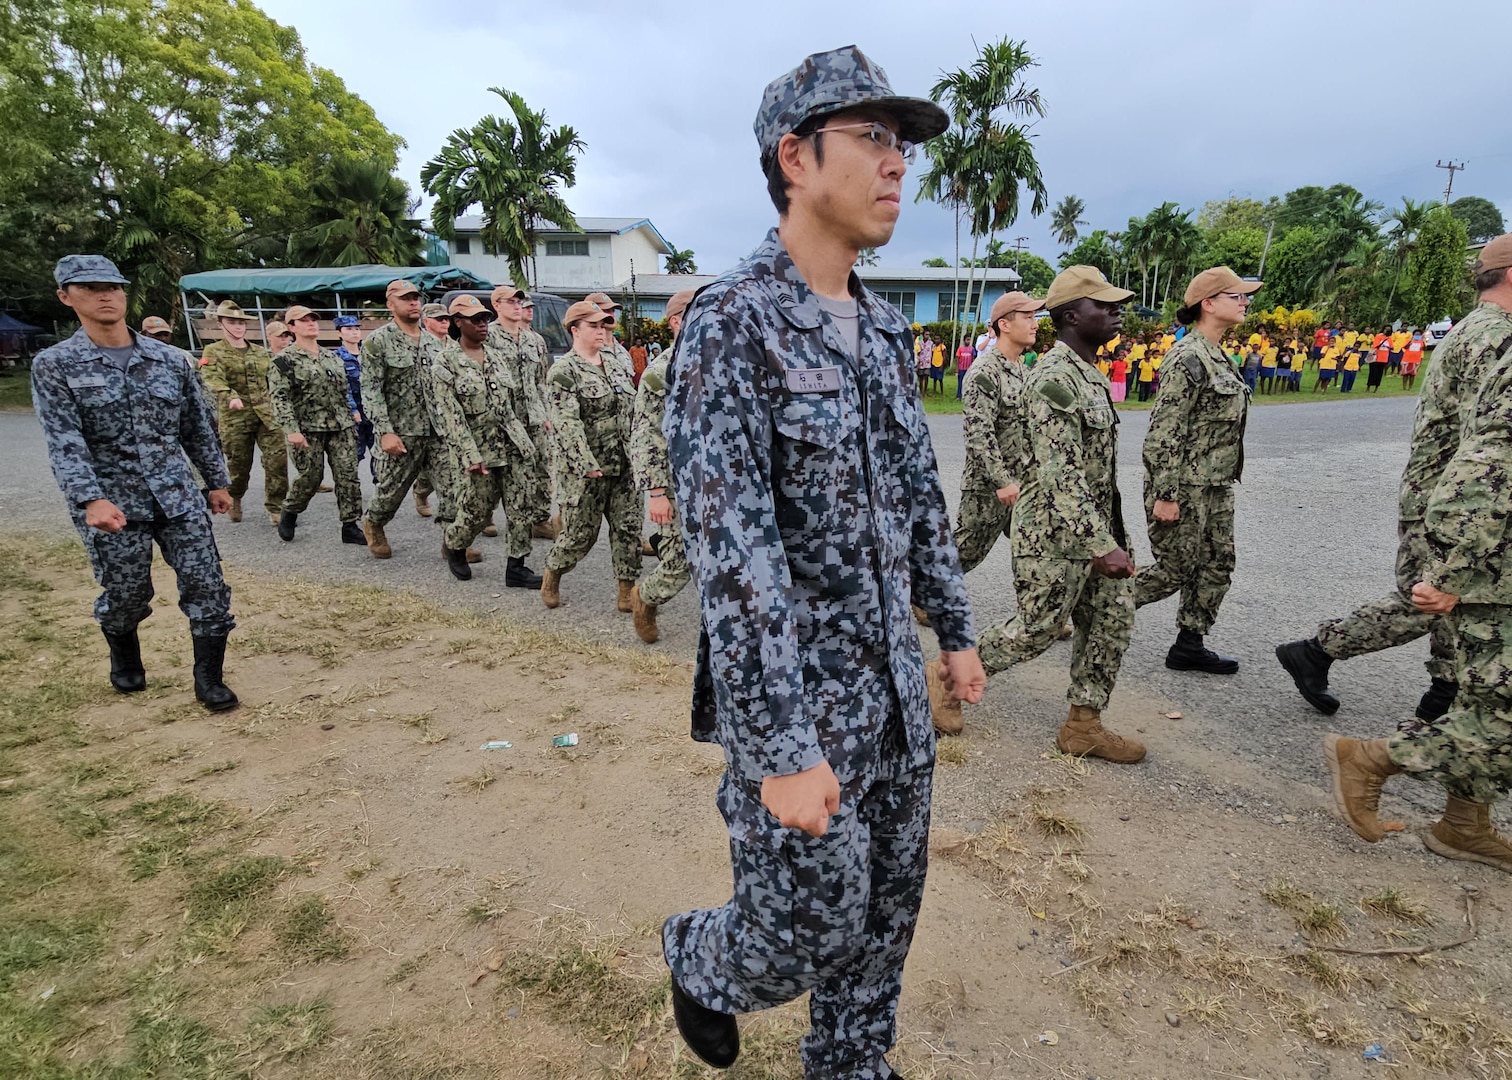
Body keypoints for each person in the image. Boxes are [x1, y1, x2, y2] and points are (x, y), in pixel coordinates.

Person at [660, 47, 985, 1077]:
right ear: (796, 157)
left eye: (903, 144)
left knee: (885, 918)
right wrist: (783, 748)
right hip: (803, 707)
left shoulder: (886, 332)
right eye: (874, 139)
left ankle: (850, 1064)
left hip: (892, 690)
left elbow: (916, 503)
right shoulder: (733, 323)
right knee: (808, 920)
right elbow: (736, 560)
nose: (898, 165)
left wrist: (956, 630)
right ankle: (701, 960)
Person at [1278, 233, 1512, 719]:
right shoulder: (1495, 338)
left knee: (1450, 598)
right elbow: (1488, 445)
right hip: (1459, 499)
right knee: (1434, 596)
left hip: (1444, 492)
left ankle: (1443, 695)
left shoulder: (1476, 329)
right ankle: (1321, 650)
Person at [926, 266, 1139, 761]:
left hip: (1090, 527)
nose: (1115, 312)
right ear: (1071, 315)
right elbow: (1061, 471)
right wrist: (1099, 543)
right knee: (1039, 627)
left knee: (1109, 620)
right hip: (1055, 532)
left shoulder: (1082, 372)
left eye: (1115, 304)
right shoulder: (1053, 378)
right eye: (1102, 305)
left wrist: (1108, 533)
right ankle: (945, 679)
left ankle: (1084, 725)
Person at [1322, 338, 1512, 874]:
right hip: (1497, 570)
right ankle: (1375, 758)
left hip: (1496, 568)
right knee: (1501, 714)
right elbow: (1487, 464)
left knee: (1489, 703)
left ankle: (1464, 825)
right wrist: (1454, 570)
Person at [32, 255, 239, 710]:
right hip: (112, 502)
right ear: (66, 297)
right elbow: (65, 440)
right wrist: (90, 499)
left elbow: (197, 427)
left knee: (207, 586)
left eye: (113, 286)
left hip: (177, 495)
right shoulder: (56, 364)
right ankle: (123, 651)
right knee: (127, 593)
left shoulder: (169, 359)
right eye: (89, 288)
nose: (105, 295)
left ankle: (208, 679)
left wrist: (216, 483)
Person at [1133, 267, 1259, 675]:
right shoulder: (1188, 356)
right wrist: (1166, 495)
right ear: (1208, 303)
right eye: (1236, 295)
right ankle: (1094, 608)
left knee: (1218, 563)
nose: (1244, 302)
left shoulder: (1218, 354)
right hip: (1184, 486)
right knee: (1174, 570)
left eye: (1245, 296)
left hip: (1216, 485)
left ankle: (1190, 642)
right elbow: (1163, 432)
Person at [431, 294, 542, 584]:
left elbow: (513, 403)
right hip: (478, 450)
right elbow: (451, 417)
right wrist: (470, 456)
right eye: (475, 319)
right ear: (458, 323)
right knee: (477, 512)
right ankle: (455, 544)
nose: (483, 324)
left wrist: (528, 441)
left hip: (513, 444)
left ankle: (516, 567)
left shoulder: (495, 357)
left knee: (521, 506)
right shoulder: (445, 364)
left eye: (485, 319)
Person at [539, 301, 642, 610]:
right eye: (594, 326)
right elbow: (566, 423)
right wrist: (585, 464)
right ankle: (553, 573)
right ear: (575, 330)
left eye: (603, 326)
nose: (601, 331)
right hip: (586, 470)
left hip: (623, 464)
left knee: (628, 530)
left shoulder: (615, 362)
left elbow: (631, 410)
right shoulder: (563, 371)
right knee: (579, 535)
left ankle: (627, 590)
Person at [359, 280, 463, 562]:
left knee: (455, 487)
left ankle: (452, 543)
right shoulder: (377, 342)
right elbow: (370, 390)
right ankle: (374, 523)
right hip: (402, 433)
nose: (413, 302)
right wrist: (384, 432)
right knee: (391, 492)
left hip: (438, 432)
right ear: (390, 304)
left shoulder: (435, 343)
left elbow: (446, 388)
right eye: (406, 298)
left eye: (416, 297)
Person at [953, 291, 1042, 580]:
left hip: (1023, 481)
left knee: (1036, 546)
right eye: (1027, 317)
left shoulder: (1022, 368)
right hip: (988, 486)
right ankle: (920, 590)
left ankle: (1040, 615)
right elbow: (979, 433)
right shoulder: (985, 372)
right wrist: (1001, 481)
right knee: (967, 549)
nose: (1035, 324)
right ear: (1005, 325)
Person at [627, 288, 696, 643]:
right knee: (680, 565)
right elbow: (645, 435)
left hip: (712, 483)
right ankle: (645, 597)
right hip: (672, 483)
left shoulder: (716, 361)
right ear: (676, 321)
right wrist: (656, 492)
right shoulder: (660, 373)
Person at [267, 306, 365, 546]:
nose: (311, 323)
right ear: (291, 328)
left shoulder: (332, 357)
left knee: (348, 476)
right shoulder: (284, 360)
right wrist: (291, 429)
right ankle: (289, 511)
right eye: (304, 320)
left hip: (340, 427)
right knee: (310, 477)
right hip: (307, 428)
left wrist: (351, 413)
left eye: (313, 319)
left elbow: (344, 390)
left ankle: (350, 525)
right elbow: (279, 397)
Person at [199, 301, 287, 526]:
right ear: (221, 324)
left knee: (277, 461)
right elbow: (211, 377)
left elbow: (277, 379)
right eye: (232, 322)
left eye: (240, 322)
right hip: (235, 417)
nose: (238, 327)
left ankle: (276, 507)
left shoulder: (259, 352)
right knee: (239, 466)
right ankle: (235, 496)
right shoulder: (214, 351)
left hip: (266, 415)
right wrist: (229, 395)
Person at [487, 282, 558, 542]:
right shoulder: (488, 337)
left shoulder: (534, 340)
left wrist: (546, 412)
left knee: (540, 467)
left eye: (519, 302)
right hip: (503, 419)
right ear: (497, 306)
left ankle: (539, 519)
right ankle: (485, 515)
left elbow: (540, 379)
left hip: (533, 415)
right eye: (511, 302)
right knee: (499, 473)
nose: (517, 307)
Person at [332, 315, 375, 478]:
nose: (354, 332)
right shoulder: (336, 357)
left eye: (356, 328)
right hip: (352, 414)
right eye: (349, 329)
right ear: (339, 333)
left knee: (380, 453)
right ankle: (348, 487)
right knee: (354, 454)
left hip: (372, 410)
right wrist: (353, 409)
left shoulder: (368, 355)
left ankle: (380, 486)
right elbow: (342, 386)